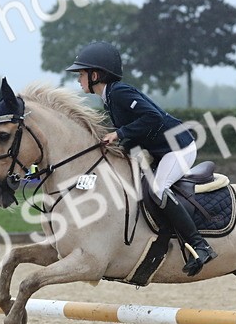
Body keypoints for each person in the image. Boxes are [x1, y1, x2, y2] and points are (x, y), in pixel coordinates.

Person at [66, 41, 217, 277]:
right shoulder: (109, 98)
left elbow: (152, 117)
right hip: (161, 150)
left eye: (81, 74)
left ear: (95, 75)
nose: (78, 79)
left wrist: (120, 134)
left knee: (158, 190)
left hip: (179, 148)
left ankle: (201, 246)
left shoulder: (119, 93)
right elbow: (138, 129)